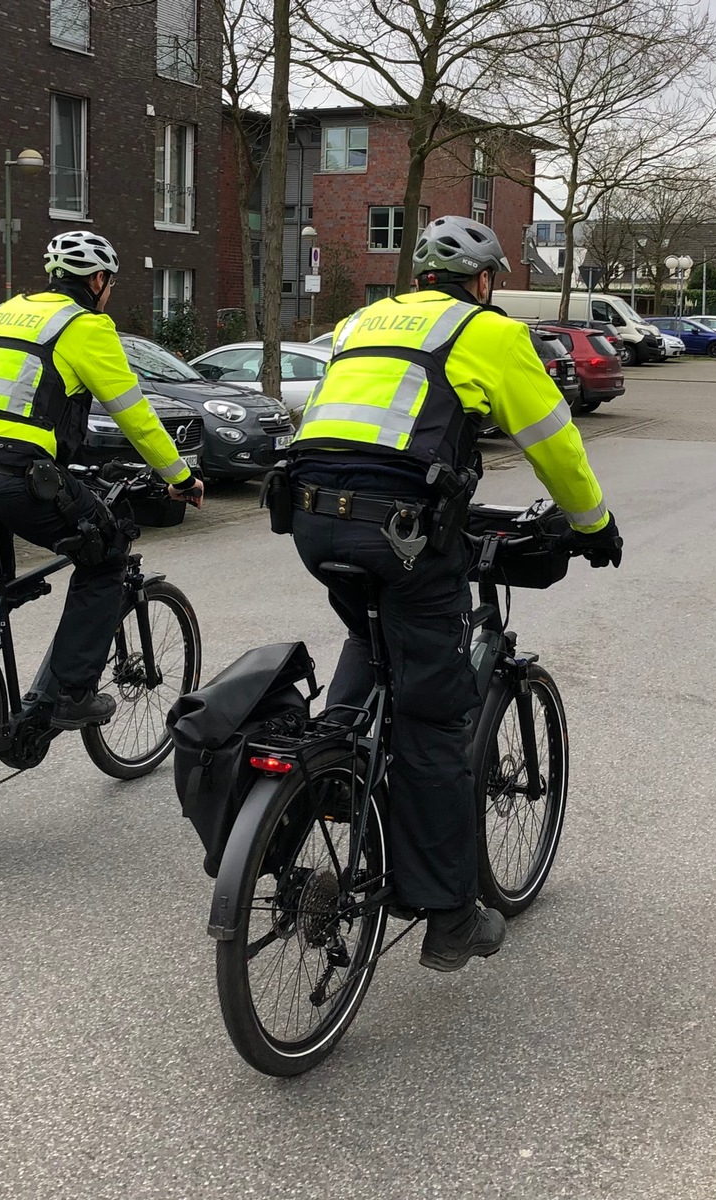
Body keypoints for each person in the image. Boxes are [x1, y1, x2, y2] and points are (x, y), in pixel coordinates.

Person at [285, 215, 622, 973]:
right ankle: (447, 916)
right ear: (482, 280)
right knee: (435, 720)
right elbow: (553, 440)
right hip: (400, 536)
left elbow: (372, 433)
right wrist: (592, 524)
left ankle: (329, 771)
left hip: (310, 517)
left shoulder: (360, 321)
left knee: (370, 639)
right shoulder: (489, 332)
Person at [0, 230, 204, 730]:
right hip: (14, 476)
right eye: (110, 284)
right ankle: (73, 693)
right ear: (98, 280)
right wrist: (180, 476)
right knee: (107, 552)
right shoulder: (85, 326)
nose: (109, 292)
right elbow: (134, 415)